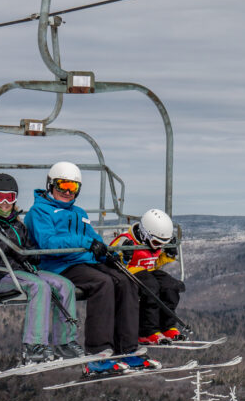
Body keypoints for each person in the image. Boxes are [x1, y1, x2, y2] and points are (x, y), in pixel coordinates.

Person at [24, 161, 161, 377]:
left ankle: (127, 348)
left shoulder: (79, 212)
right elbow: (47, 242)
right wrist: (85, 243)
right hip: (59, 264)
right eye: (62, 186)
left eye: (73, 188)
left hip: (85, 261)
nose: (67, 192)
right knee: (103, 283)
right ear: (50, 185)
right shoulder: (39, 212)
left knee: (126, 281)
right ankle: (98, 352)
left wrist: (107, 252)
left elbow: (93, 238)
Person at [0, 173, 85, 363]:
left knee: (64, 285)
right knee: (39, 287)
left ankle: (65, 342)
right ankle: (34, 345)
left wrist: (32, 254)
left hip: (24, 272)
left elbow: (30, 251)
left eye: (9, 197)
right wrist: (3, 247)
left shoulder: (17, 224)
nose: (4, 203)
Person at [110, 208, 187, 345]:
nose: (158, 247)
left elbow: (154, 262)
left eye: (163, 244)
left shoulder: (152, 245)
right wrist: (124, 256)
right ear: (145, 234)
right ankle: (147, 331)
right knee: (151, 288)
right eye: (157, 243)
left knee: (171, 287)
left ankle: (167, 326)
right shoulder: (125, 241)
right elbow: (110, 258)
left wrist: (167, 255)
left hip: (149, 271)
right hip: (130, 272)